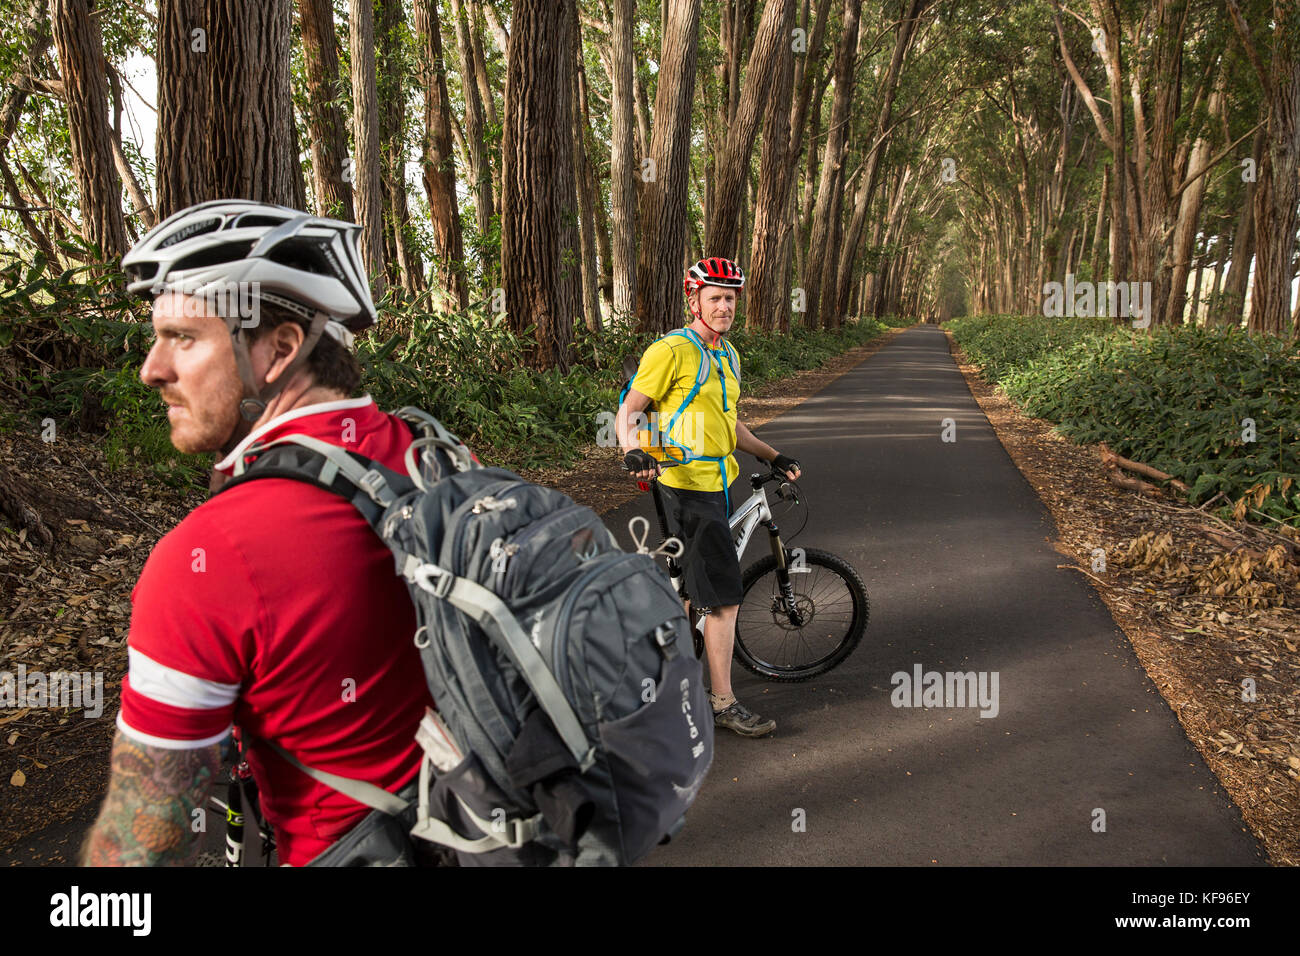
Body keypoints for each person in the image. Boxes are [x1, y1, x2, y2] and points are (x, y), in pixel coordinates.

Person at [82, 200, 442, 866]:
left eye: (184, 337)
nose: (151, 369)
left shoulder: (209, 557)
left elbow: (140, 843)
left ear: (277, 349)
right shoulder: (429, 453)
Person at [615, 257, 801, 738]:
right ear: (693, 300)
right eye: (715, 297)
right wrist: (632, 450)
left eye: (731, 298)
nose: (724, 306)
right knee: (722, 600)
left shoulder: (728, 355)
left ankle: (665, 686)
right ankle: (722, 702)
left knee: (688, 590)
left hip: (718, 481)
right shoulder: (672, 350)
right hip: (685, 486)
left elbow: (728, 424)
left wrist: (773, 454)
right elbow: (630, 408)